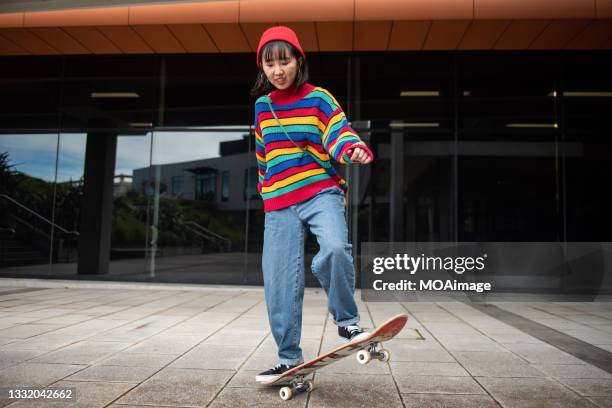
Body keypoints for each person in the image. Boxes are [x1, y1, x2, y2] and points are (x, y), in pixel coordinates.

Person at [251, 26, 374, 382]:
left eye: (284, 62)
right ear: (262, 67)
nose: (278, 71)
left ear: (298, 61)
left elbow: (338, 130)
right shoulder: (263, 106)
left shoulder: (318, 98)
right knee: (279, 282)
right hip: (279, 202)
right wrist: (265, 190)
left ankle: (348, 324)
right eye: (269, 64)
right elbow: (263, 154)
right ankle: (288, 359)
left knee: (335, 249)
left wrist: (351, 149)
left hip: (320, 192)